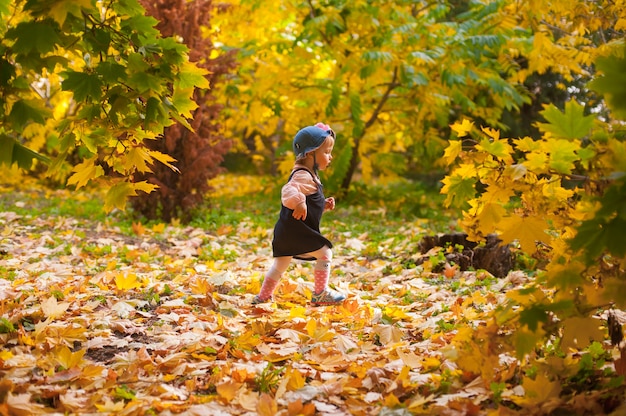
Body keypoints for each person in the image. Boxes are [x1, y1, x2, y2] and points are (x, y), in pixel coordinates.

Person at [252, 123, 346, 306]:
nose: (330, 156)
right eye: (327, 152)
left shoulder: (309, 174)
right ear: (310, 153)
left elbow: (307, 205)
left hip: (286, 232)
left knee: (279, 266)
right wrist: (300, 201)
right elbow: (288, 191)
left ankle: (262, 297)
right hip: (297, 233)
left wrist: (322, 205)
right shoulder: (302, 175)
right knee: (325, 253)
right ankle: (320, 293)